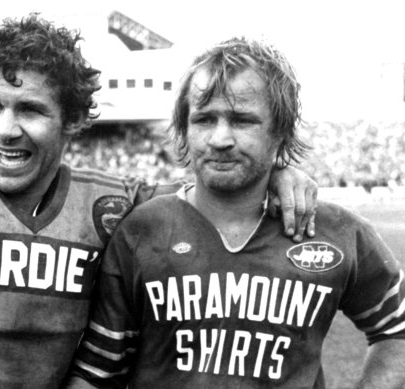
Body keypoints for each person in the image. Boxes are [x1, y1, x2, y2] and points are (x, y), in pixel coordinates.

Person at [0, 15, 317, 389]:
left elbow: (207, 193)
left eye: (31, 110)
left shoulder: (112, 202)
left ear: (74, 122)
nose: (5, 128)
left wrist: (278, 171)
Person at [66, 37, 405, 389]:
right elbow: (96, 372)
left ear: (281, 132)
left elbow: (397, 331)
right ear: (184, 130)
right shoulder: (141, 231)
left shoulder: (335, 231)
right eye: (204, 120)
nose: (220, 138)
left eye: (242, 120)